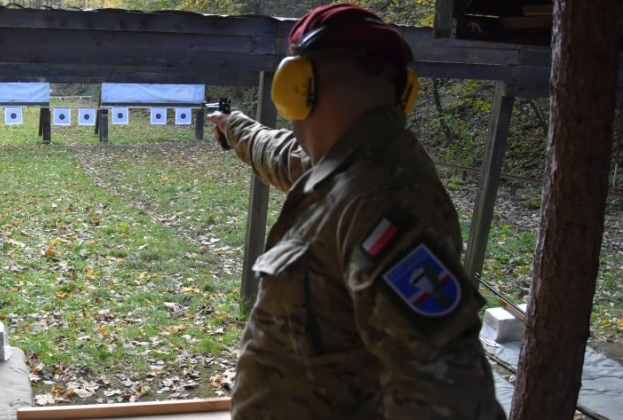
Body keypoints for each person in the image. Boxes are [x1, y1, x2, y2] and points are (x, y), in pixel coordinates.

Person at [207, 4, 506, 420]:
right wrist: (232, 124)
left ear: (295, 84)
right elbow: (279, 152)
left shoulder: (383, 200)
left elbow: (449, 394)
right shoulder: (349, 163)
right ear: (404, 91)